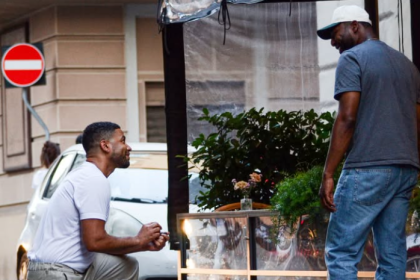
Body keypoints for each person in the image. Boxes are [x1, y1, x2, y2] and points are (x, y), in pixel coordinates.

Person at [317, 5, 420, 280]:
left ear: (355, 26)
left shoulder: (352, 59)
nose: (332, 41)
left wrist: (328, 174)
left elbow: (347, 118)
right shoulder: (407, 66)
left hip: (368, 167)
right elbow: (417, 120)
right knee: (393, 256)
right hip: (405, 169)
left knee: (341, 253)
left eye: (335, 32)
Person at [27, 122, 169, 280]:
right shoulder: (93, 179)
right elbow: (95, 241)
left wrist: (141, 244)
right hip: (56, 273)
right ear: (105, 146)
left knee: (126, 267)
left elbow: (96, 242)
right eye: (122, 141)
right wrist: (138, 240)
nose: (128, 147)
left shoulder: (87, 175)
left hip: (55, 268)